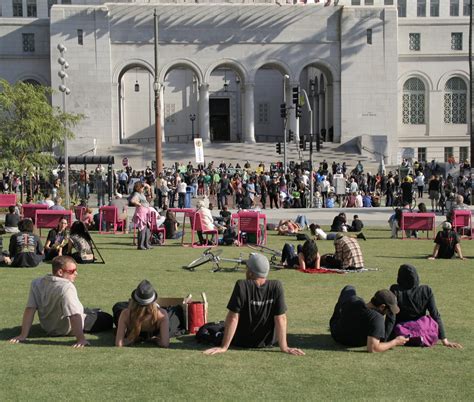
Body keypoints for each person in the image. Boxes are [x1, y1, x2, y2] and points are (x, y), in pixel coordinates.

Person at [204, 253, 305, 356]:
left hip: (241, 341)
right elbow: (281, 318)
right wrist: (284, 347)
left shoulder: (242, 285)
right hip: (267, 342)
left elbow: (233, 317)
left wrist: (224, 347)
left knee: (209, 329)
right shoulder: (276, 286)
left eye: (247, 269)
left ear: (251, 273)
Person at [9, 256, 113, 347]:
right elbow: (74, 315)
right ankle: (95, 312)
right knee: (107, 318)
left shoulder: (37, 283)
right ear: (60, 272)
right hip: (67, 328)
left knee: (85, 310)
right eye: (72, 271)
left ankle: (92, 311)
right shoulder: (66, 287)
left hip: (48, 327)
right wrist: (81, 339)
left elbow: (30, 309)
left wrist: (23, 335)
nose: (76, 273)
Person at [385, 264, 462, 349]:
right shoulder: (426, 290)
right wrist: (444, 340)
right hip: (421, 328)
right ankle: (420, 337)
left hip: (401, 330)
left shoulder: (395, 290)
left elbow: (391, 317)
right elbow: (435, 314)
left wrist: (385, 339)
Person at [329, 285, 408, 352]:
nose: (388, 314)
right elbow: (373, 348)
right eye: (388, 311)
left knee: (349, 288)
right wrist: (395, 342)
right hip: (354, 342)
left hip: (337, 334)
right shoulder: (377, 318)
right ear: (382, 307)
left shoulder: (353, 301)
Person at [114, 280, 170, 347]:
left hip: (132, 331)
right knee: (174, 311)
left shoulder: (125, 314)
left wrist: (130, 339)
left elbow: (119, 343)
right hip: (154, 331)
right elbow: (165, 343)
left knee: (118, 306)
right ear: (153, 301)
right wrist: (156, 339)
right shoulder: (162, 314)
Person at [130, 182, 152, 250]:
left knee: (147, 230)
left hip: (146, 212)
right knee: (142, 229)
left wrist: (147, 186)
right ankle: (140, 245)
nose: (143, 189)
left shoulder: (141, 194)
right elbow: (132, 200)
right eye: (142, 188)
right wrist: (139, 204)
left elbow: (147, 187)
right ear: (138, 188)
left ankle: (146, 244)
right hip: (141, 213)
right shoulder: (137, 194)